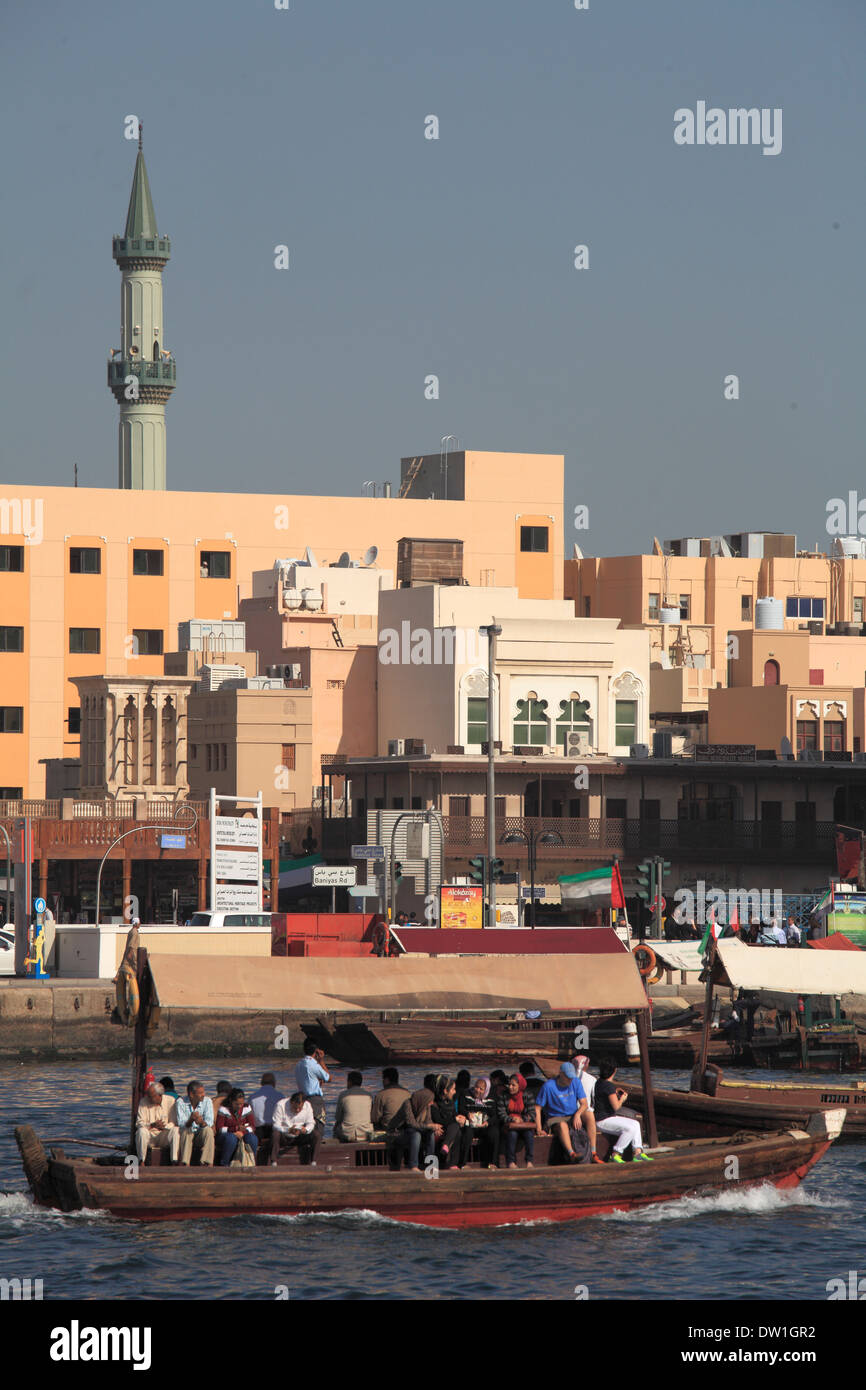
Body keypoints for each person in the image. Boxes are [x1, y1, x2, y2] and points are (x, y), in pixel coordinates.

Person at [593, 1059, 652, 1162]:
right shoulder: (609, 1086)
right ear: (614, 1071)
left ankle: (638, 1152)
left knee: (636, 1124)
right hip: (603, 1120)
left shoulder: (599, 1082)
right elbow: (616, 1107)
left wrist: (614, 1092)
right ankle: (616, 1154)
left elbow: (605, 1095)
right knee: (629, 1129)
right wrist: (622, 1099)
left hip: (602, 1118)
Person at [533, 1063, 589, 1164]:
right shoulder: (548, 1086)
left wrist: (577, 1114)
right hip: (555, 1118)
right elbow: (537, 1108)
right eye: (567, 1077)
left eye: (571, 1077)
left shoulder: (576, 1082)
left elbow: (584, 1104)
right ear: (561, 1074)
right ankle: (572, 1154)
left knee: (589, 1115)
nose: (570, 1080)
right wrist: (539, 1129)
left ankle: (593, 1151)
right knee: (563, 1125)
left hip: (572, 1115)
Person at [458, 1076, 501, 1169]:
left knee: (494, 1132)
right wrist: (467, 1114)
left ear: (486, 1090)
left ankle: (493, 1163)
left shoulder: (492, 1098)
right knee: (467, 1132)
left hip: (484, 1126)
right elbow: (461, 1108)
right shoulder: (465, 1094)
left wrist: (487, 1122)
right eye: (476, 1087)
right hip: (471, 1125)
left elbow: (495, 1115)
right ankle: (463, 1163)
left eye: (481, 1089)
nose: (477, 1090)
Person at [135, 1081, 179, 1164]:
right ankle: (141, 1161)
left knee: (176, 1130)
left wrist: (164, 1126)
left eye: (151, 1096)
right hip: (150, 1135)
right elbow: (139, 1123)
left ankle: (174, 1160)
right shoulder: (143, 1101)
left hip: (164, 1135)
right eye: (148, 1096)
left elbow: (174, 1122)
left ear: (160, 1095)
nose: (149, 1098)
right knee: (141, 1131)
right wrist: (152, 1125)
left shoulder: (171, 1101)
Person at [295, 1040, 330, 1145]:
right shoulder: (313, 1064)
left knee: (306, 1127)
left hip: (302, 1099)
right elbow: (328, 1077)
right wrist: (321, 1060)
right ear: (316, 1051)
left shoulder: (298, 1065)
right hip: (315, 1100)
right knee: (318, 1127)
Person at [431, 1074, 466, 1169]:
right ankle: (452, 1162)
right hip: (439, 1129)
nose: (455, 1092)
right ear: (445, 1091)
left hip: (450, 1129)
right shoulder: (434, 1103)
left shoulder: (449, 1102)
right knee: (456, 1128)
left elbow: (454, 1115)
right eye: (453, 1089)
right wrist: (455, 1119)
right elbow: (439, 1120)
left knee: (456, 1128)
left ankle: (446, 1146)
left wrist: (461, 1118)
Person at [215, 1088, 258, 1166]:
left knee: (252, 1138)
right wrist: (235, 1130)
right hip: (226, 1136)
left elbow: (252, 1127)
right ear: (231, 1101)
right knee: (231, 1138)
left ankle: (252, 1162)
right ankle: (224, 1163)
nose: (239, 1106)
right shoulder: (223, 1109)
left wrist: (242, 1132)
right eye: (236, 1104)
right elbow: (219, 1129)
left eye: (241, 1104)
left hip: (242, 1134)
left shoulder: (246, 1108)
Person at [176, 1080, 215, 1166]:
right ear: (191, 1094)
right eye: (200, 1093)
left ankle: (206, 1162)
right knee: (187, 1131)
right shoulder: (180, 1102)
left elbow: (209, 1121)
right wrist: (191, 1120)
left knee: (208, 1131)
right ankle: (185, 1163)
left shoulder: (207, 1101)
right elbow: (181, 1124)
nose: (203, 1095)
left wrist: (201, 1122)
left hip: (200, 1133)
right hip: (187, 1134)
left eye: (203, 1092)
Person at [271, 1092, 317, 1165]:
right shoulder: (280, 1105)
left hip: (300, 1135)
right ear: (291, 1102)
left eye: (300, 1108)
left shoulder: (308, 1106)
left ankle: (313, 1161)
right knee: (275, 1134)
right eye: (295, 1108)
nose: (297, 1110)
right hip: (285, 1136)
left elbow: (311, 1122)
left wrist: (305, 1130)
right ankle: (273, 1161)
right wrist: (288, 1130)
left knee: (316, 1134)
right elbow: (275, 1125)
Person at [333, 1071, 374, 1142]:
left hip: (348, 1133)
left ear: (349, 1082)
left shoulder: (343, 1095)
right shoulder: (368, 1095)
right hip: (366, 1133)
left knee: (336, 1129)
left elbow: (338, 1118)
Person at [504, 1073, 534, 1168]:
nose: (510, 1087)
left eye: (513, 1085)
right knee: (512, 1134)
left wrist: (522, 1119)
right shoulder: (504, 1096)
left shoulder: (527, 1095)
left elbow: (532, 1113)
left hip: (523, 1124)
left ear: (519, 1086)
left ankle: (529, 1161)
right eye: (509, 1084)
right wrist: (512, 1119)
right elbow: (501, 1114)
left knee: (529, 1134)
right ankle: (511, 1161)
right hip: (509, 1125)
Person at [248, 1072, 284, 1149]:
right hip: (275, 1130)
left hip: (259, 1131)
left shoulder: (252, 1097)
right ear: (274, 1083)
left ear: (261, 1083)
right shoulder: (280, 1096)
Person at [371, 1067, 412, 1133]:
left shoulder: (381, 1095)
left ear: (386, 1080)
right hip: (405, 1129)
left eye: (383, 1079)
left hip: (387, 1129)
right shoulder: (408, 1093)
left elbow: (375, 1118)